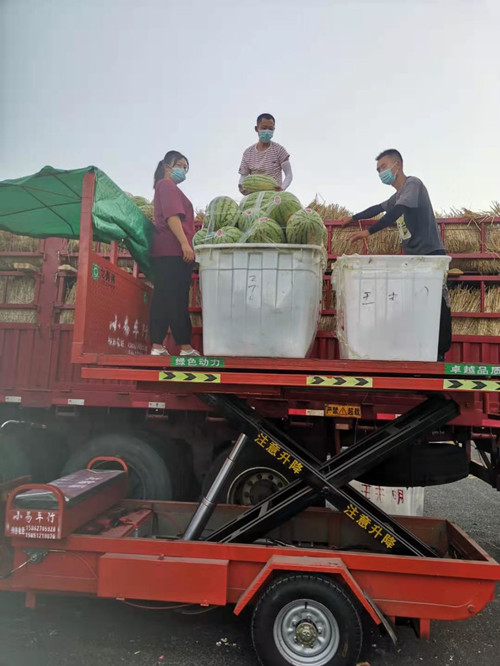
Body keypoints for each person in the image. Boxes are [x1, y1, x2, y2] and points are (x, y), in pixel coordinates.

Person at [341, 149, 451, 361]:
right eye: (378, 170)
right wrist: (353, 218)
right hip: (413, 259)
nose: (380, 173)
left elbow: (396, 212)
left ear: (397, 165)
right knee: (416, 305)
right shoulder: (397, 196)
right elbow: (378, 208)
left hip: (430, 255)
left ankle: (439, 354)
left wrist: (369, 232)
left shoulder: (412, 184)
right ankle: (418, 351)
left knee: (437, 304)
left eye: (383, 167)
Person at [149, 150, 199, 357]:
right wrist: (185, 244)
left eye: (185, 168)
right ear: (167, 166)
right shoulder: (167, 185)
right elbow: (172, 217)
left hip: (168, 252)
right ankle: (184, 347)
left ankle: (157, 345)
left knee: (164, 296)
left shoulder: (166, 187)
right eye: (180, 165)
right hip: (172, 250)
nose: (183, 170)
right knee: (176, 298)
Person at [238, 113, 293, 194]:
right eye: (264, 128)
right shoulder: (248, 153)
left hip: (273, 196)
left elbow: (289, 175)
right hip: (254, 196)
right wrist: (241, 187)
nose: (267, 131)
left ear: (274, 129)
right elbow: (243, 176)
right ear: (256, 129)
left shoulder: (279, 150)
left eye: (270, 129)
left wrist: (282, 188)